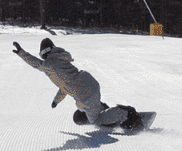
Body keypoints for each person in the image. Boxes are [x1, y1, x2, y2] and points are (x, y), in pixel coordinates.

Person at [10, 38, 143, 131]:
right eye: (41, 54)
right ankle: (101, 109)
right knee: (85, 109)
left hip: (84, 93)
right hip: (89, 83)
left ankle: (127, 114)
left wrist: (22, 53)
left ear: (48, 52)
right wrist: (56, 100)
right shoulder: (59, 60)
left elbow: (37, 64)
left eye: (44, 53)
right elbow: (65, 86)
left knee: (95, 120)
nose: (43, 57)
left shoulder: (50, 64)